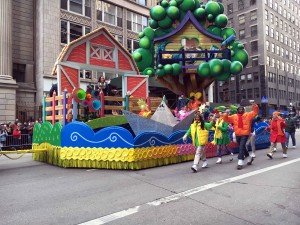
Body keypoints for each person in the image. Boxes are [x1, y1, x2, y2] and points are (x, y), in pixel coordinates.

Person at [223, 101, 259, 170]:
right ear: (237, 110)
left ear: (244, 110)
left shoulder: (247, 115)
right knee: (242, 147)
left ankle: (240, 162)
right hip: (237, 134)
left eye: (242, 109)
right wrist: (226, 113)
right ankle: (249, 158)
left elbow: (255, 112)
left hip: (245, 134)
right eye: (239, 109)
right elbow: (226, 119)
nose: (241, 110)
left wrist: (254, 104)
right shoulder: (234, 116)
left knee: (241, 146)